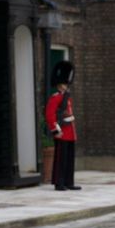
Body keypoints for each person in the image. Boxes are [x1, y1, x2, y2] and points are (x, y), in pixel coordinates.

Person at [45, 61, 80, 191]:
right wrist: (55, 130)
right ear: (60, 85)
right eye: (65, 84)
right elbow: (50, 115)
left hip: (70, 132)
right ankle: (59, 182)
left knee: (69, 159)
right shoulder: (55, 98)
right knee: (61, 159)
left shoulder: (67, 97)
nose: (66, 86)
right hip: (62, 133)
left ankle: (69, 182)